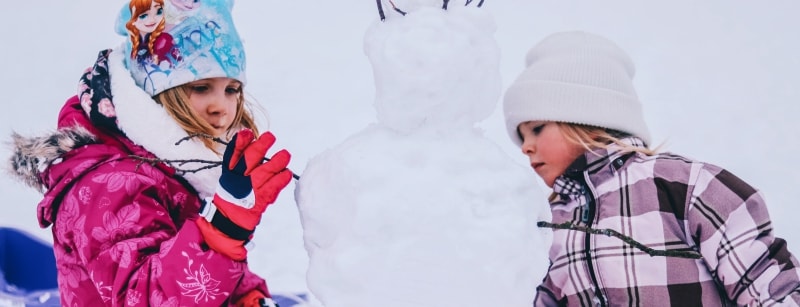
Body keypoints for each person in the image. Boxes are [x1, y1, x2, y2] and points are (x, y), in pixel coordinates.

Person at [7, 0, 292, 306]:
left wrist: (246, 296)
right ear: (155, 91)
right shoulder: (108, 183)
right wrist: (223, 230)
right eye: (200, 87)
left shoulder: (173, 166)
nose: (221, 107)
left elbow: (208, 267)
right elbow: (143, 297)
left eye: (231, 89)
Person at [502, 31, 800, 306]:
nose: (526, 146)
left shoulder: (685, 187)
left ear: (585, 118)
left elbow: (768, 286)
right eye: (521, 138)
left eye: (537, 129)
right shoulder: (548, 225)